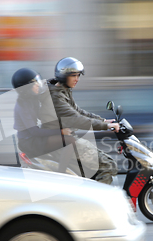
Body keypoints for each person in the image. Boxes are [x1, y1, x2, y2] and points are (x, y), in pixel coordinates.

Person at [39, 57, 119, 185]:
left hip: (67, 139)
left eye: (78, 75)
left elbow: (79, 111)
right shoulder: (56, 97)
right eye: (74, 76)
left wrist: (104, 120)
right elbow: (78, 120)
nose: (77, 79)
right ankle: (97, 202)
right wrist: (105, 126)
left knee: (93, 169)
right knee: (108, 165)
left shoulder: (62, 90)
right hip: (62, 143)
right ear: (64, 76)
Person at [12, 68, 74, 159]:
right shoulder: (22, 106)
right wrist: (61, 131)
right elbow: (34, 131)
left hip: (33, 138)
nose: (37, 85)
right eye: (34, 83)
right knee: (70, 140)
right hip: (29, 142)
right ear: (25, 88)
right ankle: (62, 172)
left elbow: (42, 113)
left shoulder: (32, 99)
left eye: (37, 81)